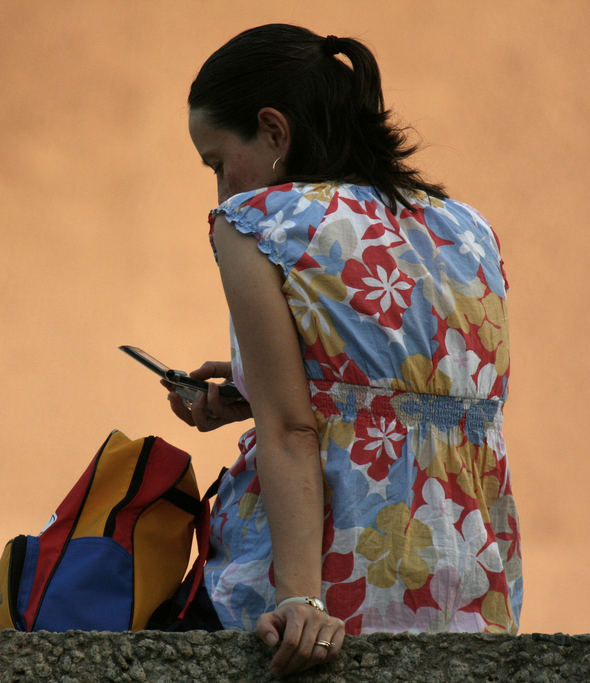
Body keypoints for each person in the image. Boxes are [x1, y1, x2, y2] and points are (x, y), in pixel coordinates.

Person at [162, 24, 523, 677]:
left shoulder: (258, 222)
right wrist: (245, 396)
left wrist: (299, 598)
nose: (221, 189)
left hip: (335, 572)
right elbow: (413, 393)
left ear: (275, 131)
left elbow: (293, 427)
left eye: (218, 162)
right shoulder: (467, 228)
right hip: (465, 579)